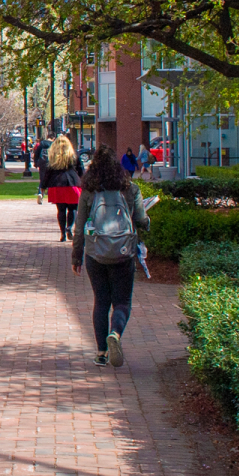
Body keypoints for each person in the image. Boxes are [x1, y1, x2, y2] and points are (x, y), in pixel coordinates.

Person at [71, 150, 151, 368]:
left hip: (95, 253)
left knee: (101, 302)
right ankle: (115, 333)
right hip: (123, 253)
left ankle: (101, 353)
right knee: (122, 302)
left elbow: (79, 228)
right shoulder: (130, 189)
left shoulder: (89, 192)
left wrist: (76, 256)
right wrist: (147, 222)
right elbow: (141, 220)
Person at [40, 136, 84, 243]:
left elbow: (47, 174)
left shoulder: (52, 157)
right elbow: (81, 170)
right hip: (72, 184)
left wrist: (43, 187)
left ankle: (63, 233)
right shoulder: (74, 155)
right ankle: (69, 228)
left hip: (57, 184)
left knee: (61, 210)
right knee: (73, 209)